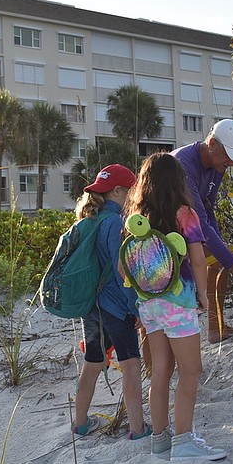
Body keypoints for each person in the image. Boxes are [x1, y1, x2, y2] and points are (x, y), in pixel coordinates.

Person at [124, 152, 226, 460]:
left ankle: (160, 439)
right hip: (177, 303)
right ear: (178, 181)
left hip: (148, 305)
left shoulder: (138, 219)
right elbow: (197, 259)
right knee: (191, 371)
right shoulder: (186, 214)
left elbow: (122, 267)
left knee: (161, 371)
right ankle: (183, 440)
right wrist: (203, 296)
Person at [70, 164, 151, 440]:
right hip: (115, 305)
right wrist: (135, 306)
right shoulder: (115, 222)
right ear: (118, 191)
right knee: (130, 364)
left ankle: (80, 424)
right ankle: (138, 429)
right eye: (131, 190)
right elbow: (121, 271)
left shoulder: (89, 219)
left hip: (91, 306)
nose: (133, 195)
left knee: (93, 362)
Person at [171, 119, 233, 344]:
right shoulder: (182, 165)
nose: (231, 163)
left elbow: (208, 205)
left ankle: (216, 327)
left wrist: (222, 250)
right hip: (164, 229)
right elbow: (198, 220)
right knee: (173, 281)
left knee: (218, 261)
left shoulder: (218, 166)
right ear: (211, 143)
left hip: (187, 223)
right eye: (228, 155)